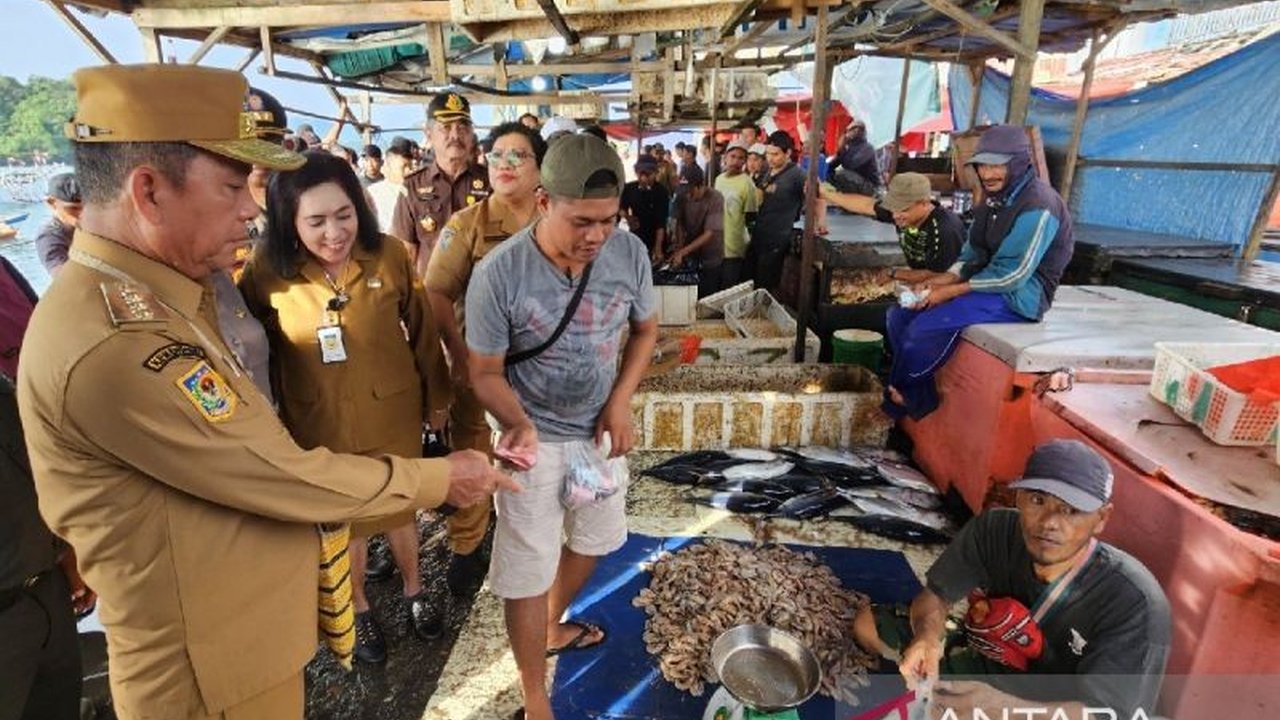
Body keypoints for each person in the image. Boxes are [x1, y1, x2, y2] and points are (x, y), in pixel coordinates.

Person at [17, 63, 515, 720]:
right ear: (148, 191)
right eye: (231, 185)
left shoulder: (162, 299)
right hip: (212, 680)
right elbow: (280, 477)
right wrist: (444, 478)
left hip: (240, 653)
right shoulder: (118, 341)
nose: (253, 206)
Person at [466, 134, 657, 720]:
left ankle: (552, 624)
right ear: (544, 201)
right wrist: (517, 423)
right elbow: (483, 371)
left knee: (597, 539)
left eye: (608, 219)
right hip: (533, 441)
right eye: (582, 221)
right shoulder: (500, 273)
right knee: (526, 566)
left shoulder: (628, 254)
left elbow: (646, 331)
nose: (596, 236)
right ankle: (534, 694)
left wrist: (621, 401)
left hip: (597, 435)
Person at [239, 150, 457, 662]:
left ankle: (414, 590)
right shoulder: (266, 270)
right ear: (290, 222)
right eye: (315, 221)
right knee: (345, 518)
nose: (333, 233)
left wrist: (439, 401)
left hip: (393, 410)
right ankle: (357, 608)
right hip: (317, 419)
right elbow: (250, 351)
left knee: (400, 505)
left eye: (344, 215)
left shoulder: (388, 255)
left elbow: (425, 333)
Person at [852, 440, 1171, 719]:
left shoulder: (1135, 601)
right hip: (1000, 661)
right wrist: (927, 639)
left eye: (1071, 511)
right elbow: (935, 596)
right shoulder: (996, 530)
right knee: (869, 624)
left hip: (1061, 705)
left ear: (1101, 519)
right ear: (1017, 498)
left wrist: (1005, 709)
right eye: (1037, 501)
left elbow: (1106, 715)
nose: (1049, 523)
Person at [425, 122, 548, 598]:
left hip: (539, 372)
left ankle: (528, 532)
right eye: (497, 155)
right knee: (476, 447)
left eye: (519, 155)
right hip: (481, 367)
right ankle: (467, 543)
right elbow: (436, 292)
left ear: (541, 168)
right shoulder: (467, 224)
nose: (505, 164)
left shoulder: (553, 218)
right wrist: (457, 353)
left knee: (532, 451)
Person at [884, 125, 1074, 420]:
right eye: (983, 165)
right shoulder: (991, 200)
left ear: (1020, 162)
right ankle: (917, 394)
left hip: (1020, 297)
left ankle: (902, 397)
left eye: (997, 165)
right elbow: (971, 255)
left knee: (923, 329)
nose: (988, 174)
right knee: (898, 316)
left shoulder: (1040, 205)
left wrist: (950, 291)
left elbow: (1014, 275)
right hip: (985, 283)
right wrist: (938, 282)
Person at [390, 92, 491, 277]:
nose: (455, 135)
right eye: (445, 127)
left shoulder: (490, 181)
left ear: (471, 134)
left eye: (462, 127)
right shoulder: (412, 187)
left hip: (481, 292)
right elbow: (406, 253)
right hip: (432, 296)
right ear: (428, 134)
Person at [821, 172, 964, 279]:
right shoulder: (899, 213)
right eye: (893, 208)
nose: (895, 215)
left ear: (925, 203)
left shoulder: (945, 230)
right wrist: (826, 193)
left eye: (903, 209)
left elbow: (938, 275)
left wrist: (894, 273)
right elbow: (866, 205)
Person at [750, 130, 807, 294]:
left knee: (767, 284)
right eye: (768, 154)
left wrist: (820, 222)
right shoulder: (767, 171)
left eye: (775, 154)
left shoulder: (798, 175)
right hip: (760, 234)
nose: (770, 158)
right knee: (755, 280)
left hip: (778, 239)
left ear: (788, 152)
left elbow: (817, 196)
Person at [669, 163, 725, 298]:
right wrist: (679, 247)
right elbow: (679, 223)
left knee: (708, 297)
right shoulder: (681, 196)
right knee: (689, 297)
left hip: (711, 255)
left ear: (701, 185)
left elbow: (709, 233)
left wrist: (683, 251)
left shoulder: (716, 198)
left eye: (690, 192)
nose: (687, 196)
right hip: (690, 254)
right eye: (684, 192)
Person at [713, 140, 759, 289]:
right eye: (733, 156)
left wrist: (747, 244)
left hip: (734, 248)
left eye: (740, 158)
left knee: (728, 289)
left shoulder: (747, 184)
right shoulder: (718, 180)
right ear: (725, 157)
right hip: (715, 245)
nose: (736, 161)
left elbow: (751, 218)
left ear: (745, 161)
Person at [619, 155, 670, 262]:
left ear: (656, 173)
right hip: (636, 237)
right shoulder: (629, 188)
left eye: (648, 174)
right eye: (640, 173)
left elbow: (661, 223)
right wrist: (628, 217)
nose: (643, 178)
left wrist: (658, 248)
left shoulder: (661, 192)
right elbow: (621, 207)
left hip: (656, 237)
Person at [34, 172, 83, 274]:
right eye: (74, 208)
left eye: (88, 207)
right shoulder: (49, 235)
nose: (82, 214)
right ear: (52, 203)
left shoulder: (96, 225)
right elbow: (62, 276)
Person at [368, 136, 415, 233]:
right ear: (388, 167)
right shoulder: (373, 193)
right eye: (404, 167)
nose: (409, 171)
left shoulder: (416, 191)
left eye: (410, 166)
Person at [827, 119, 881, 196]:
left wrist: (843, 150)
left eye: (855, 129)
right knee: (832, 173)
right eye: (849, 130)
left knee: (842, 173)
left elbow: (851, 165)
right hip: (857, 182)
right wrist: (840, 151)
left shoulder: (867, 148)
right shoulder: (849, 147)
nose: (850, 132)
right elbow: (832, 165)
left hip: (871, 186)